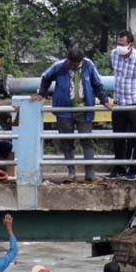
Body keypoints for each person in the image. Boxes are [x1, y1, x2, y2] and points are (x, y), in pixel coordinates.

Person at [32, 48, 111, 182]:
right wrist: (42, 93)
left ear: (81, 61)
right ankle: (71, 173)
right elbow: (45, 77)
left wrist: (105, 101)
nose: (73, 65)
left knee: (87, 141)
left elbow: (97, 84)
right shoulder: (60, 66)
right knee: (67, 142)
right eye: (71, 63)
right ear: (68, 60)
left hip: (84, 110)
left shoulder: (89, 65)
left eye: (76, 63)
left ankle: (90, 174)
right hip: (63, 111)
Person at [110, 30, 136, 179]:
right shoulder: (114, 55)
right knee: (118, 137)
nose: (119, 47)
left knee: (134, 138)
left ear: (131, 45)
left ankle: (133, 169)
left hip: (134, 102)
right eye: (117, 44)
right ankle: (118, 168)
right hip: (118, 101)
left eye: (122, 45)